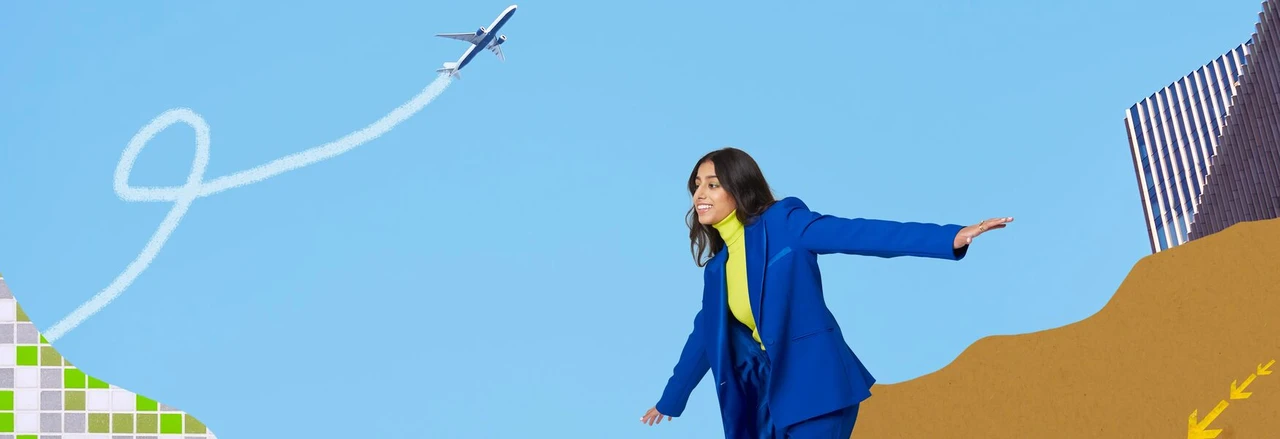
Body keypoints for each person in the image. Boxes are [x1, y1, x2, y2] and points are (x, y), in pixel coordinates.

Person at [639, 147, 1011, 438]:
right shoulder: (718, 270)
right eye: (696, 184)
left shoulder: (784, 224)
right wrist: (671, 399)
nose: (699, 193)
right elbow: (706, 336)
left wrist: (950, 237)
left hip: (818, 388)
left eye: (712, 184)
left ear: (739, 187)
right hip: (773, 399)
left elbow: (856, 233)